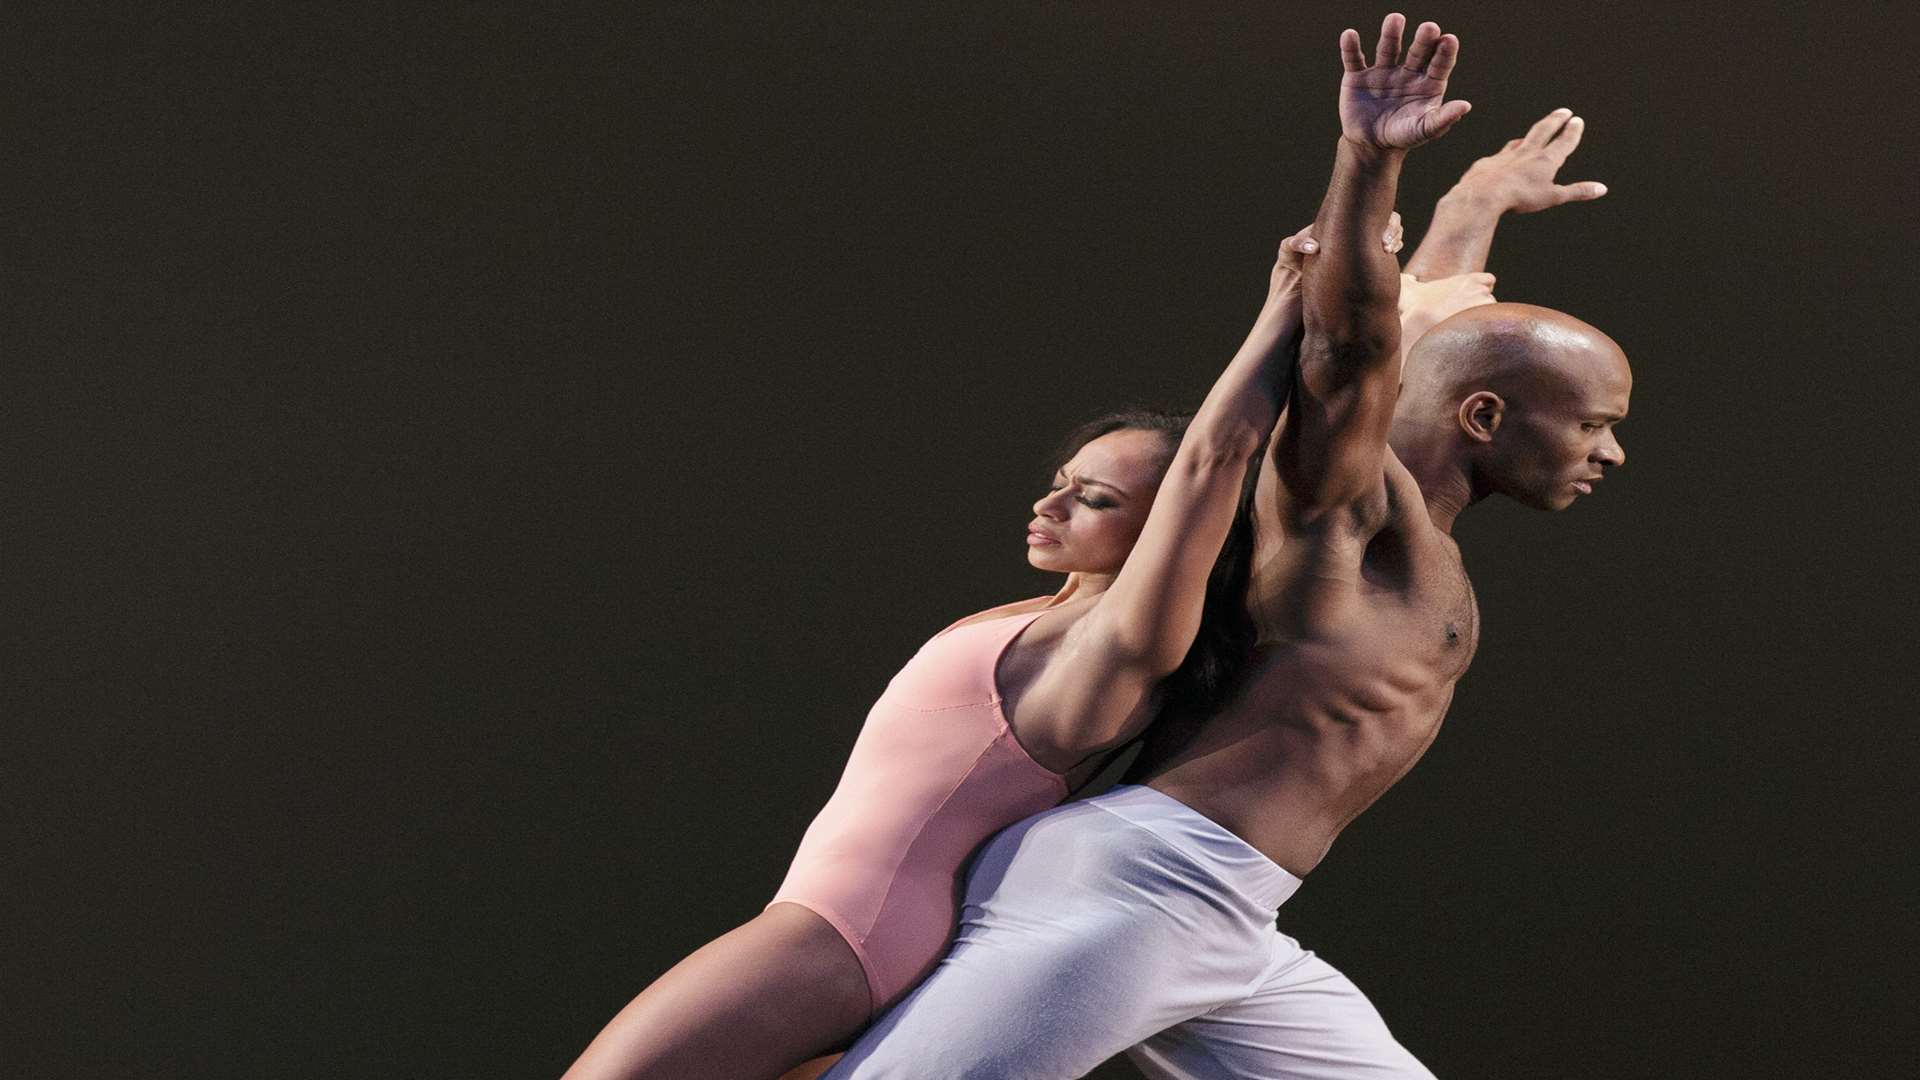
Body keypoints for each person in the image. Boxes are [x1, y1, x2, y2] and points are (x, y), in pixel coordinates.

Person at [824, 14, 1632, 1078]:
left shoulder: (1404, 479)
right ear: (1485, 420)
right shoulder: (1345, 512)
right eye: (1591, 424)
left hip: (1231, 916)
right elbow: (1351, 338)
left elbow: (1420, 335)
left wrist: (1473, 205)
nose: (1609, 452)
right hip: (1140, 892)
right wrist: (1367, 161)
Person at [559, 164, 1416, 1077]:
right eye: (1059, 482)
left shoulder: (1118, 646)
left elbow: (1220, 453)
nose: (1051, 506)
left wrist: (1286, 302)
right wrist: (1462, 222)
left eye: (1092, 498)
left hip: (847, 934)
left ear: (1168, 527)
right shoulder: (1051, 612)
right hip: (838, 921)